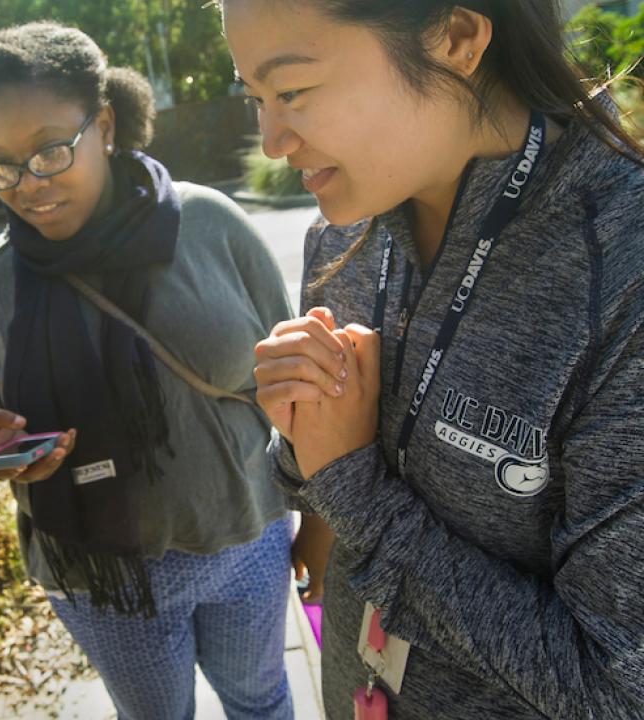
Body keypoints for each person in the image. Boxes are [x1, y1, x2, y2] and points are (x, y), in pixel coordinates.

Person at [223, 0, 644, 717]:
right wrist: (299, 427)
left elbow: (616, 687)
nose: (272, 141)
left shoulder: (622, 274)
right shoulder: (346, 228)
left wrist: (349, 484)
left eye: (290, 90)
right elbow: (317, 467)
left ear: (456, 38)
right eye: (253, 97)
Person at [0, 22, 296, 720]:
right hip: (100, 577)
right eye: (0, 164)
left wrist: (321, 520)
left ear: (103, 124)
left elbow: (290, 385)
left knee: (260, 699)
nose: (26, 185)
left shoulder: (211, 226)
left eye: (49, 150)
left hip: (246, 539)